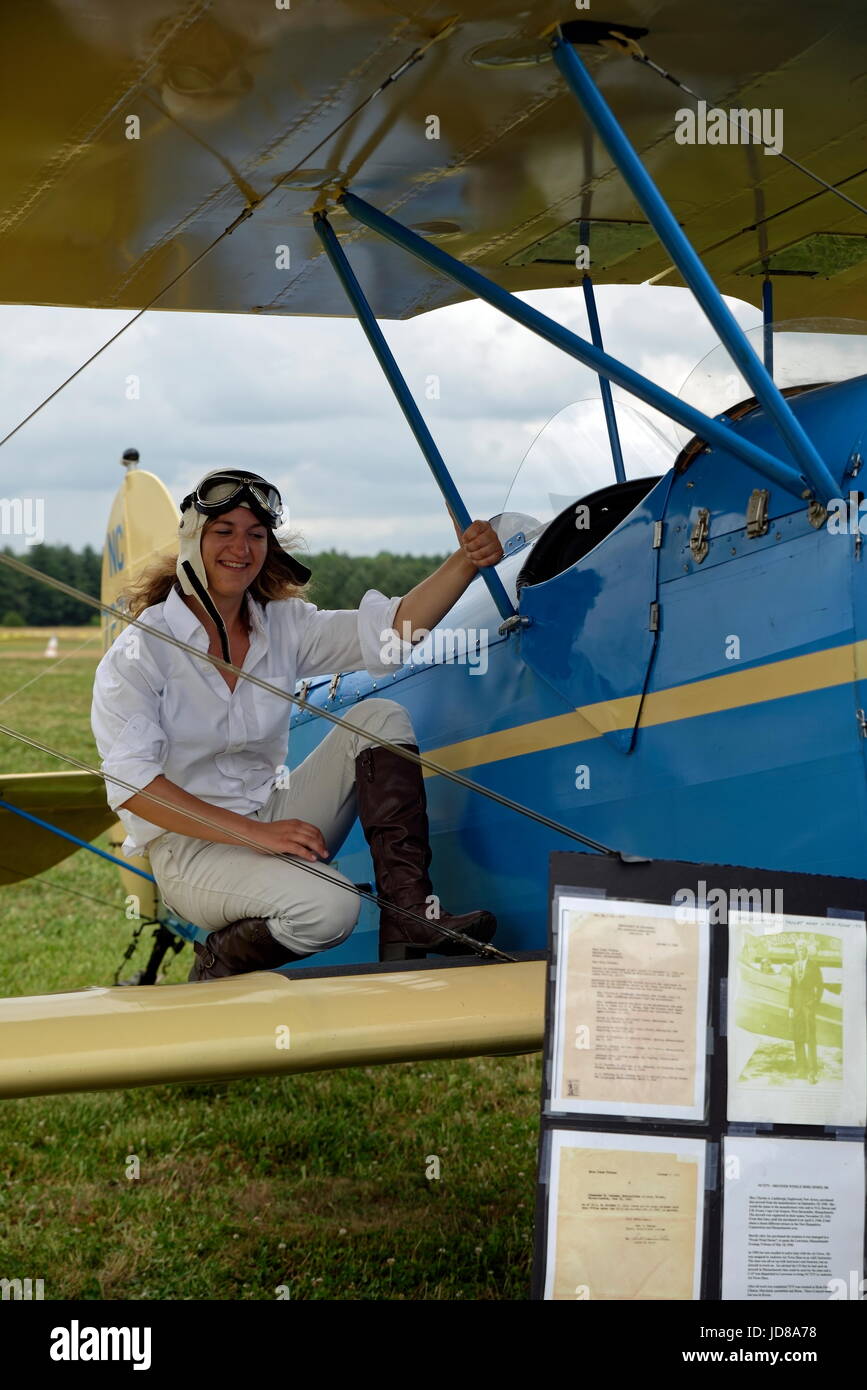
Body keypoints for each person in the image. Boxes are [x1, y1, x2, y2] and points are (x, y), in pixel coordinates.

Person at [91, 468, 503, 981]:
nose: (240, 547)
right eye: (224, 531)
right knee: (332, 908)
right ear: (192, 540)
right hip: (190, 851)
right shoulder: (140, 651)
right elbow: (134, 787)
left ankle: (410, 916)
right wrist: (255, 835)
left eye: (256, 535)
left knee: (379, 718)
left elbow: (393, 634)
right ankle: (216, 967)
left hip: (271, 811)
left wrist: (466, 561)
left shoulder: (282, 625)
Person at [787, 936, 824, 1083]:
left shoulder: (814, 966)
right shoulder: (794, 966)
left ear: (806, 950)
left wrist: (814, 1003)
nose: (800, 950)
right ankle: (801, 1069)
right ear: (796, 951)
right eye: (798, 948)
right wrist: (790, 1006)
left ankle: (812, 1071)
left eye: (802, 948)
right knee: (798, 1038)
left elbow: (820, 987)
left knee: (810, 1039)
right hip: (796, 1008)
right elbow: (792, 988)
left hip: (808, 1008)